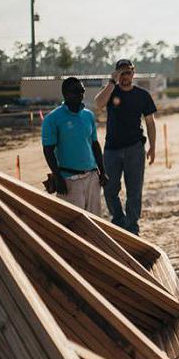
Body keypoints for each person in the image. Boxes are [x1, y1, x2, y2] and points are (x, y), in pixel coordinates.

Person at [94, 59, 157, 234]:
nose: (125, 76)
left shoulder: (142, 95)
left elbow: (150, 122)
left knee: (134, 191)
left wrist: (152, 146)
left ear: (133, 73)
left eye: (128, 72)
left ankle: (132, 226)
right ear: (116, 74)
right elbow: (98, 104)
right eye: (121, 72)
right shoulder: (111, 91)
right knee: (109, 189)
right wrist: (111, 83)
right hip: (112, 149)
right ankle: (119, 221)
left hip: (135, 148)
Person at [42, 77, 108, 214]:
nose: (80, 94)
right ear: (65, 94)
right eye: (76, 91)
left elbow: (95, 144)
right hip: (69, 181)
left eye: (82, 91)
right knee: (73, 224)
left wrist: (102, 171)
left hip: (92, 177)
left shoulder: (88, 116)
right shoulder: (52, 119)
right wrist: (58, 177)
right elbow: (48, 150)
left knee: (95, 222)